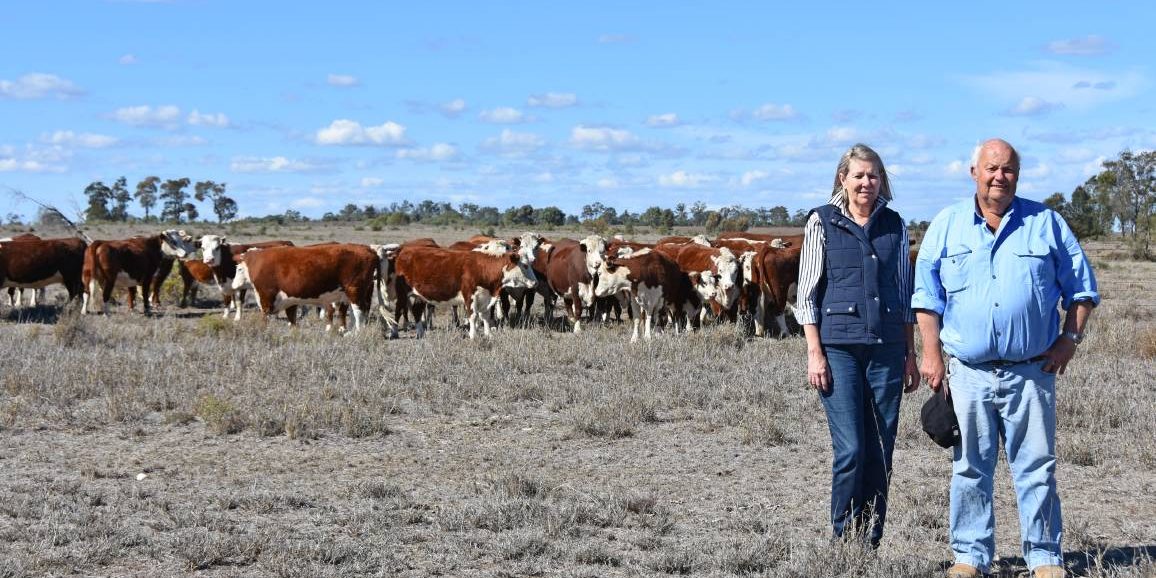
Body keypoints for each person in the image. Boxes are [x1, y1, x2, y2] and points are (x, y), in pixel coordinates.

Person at [912, 139, 1098, 578]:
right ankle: (970, 556)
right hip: (968, 374)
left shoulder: (1046, 224)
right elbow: (926, 298)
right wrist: (931, 354)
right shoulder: (946, 225)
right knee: (970, 469)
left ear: (1018, 173)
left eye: (1009, 169)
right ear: (974, 171)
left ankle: (1045, 557)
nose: (1000, 176)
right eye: (992, 168)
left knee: (1036, 467)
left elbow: (1082, 289)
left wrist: (1069, 338)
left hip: (1031, 372)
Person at [797, 143, 920, 548]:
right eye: (859, 175)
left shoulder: (895, 225)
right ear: (842, 179)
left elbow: (904, 294)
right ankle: (840, 539)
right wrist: (815, 353)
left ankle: (869, 543)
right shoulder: (822, 222)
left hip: (886, 349)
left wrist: (910, 354)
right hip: (839, 349)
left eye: (873, 175)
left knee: (881, 450)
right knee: (851, 448)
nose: (867, 182)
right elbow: (808, 296)